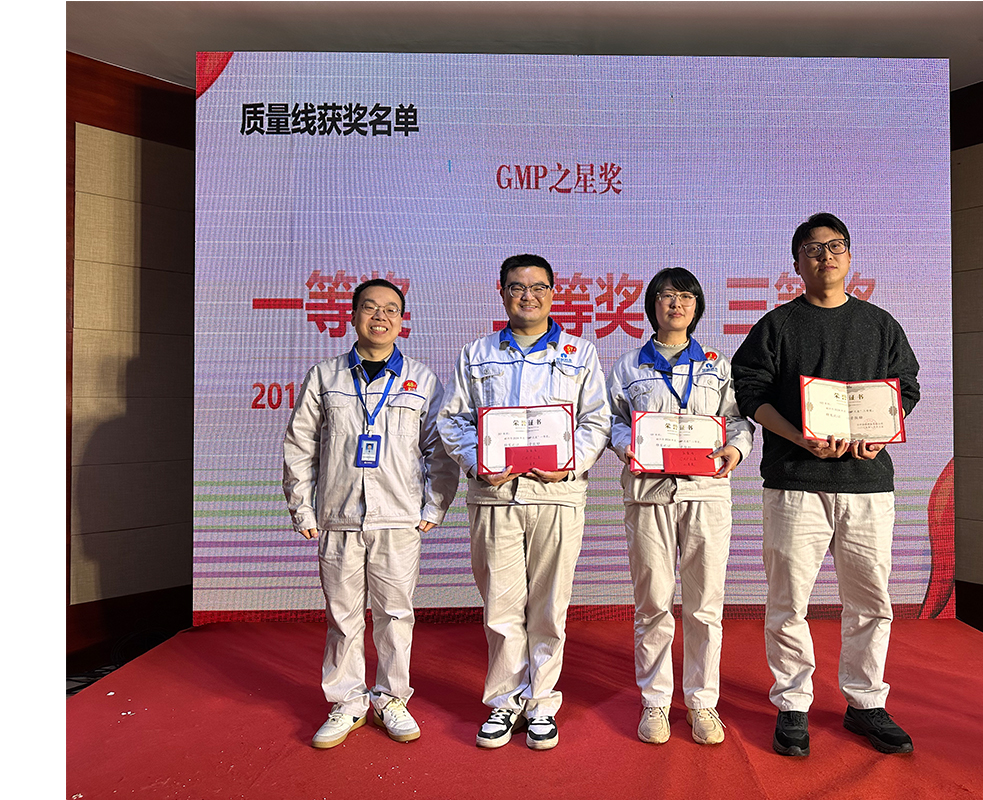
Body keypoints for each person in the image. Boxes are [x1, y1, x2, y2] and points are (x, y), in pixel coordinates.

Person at [731, 213, 920, 757]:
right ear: (797, 263)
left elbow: (905, 389)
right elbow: (750, 394)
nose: (826, 256)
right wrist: (799, 436)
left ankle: (866, 702)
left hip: (867, 484)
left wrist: (878, 436)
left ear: (850, 256)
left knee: (871, 601)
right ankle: (793, 703)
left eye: (836, 246)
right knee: (788, 600)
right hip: (795, 482)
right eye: (813, 249)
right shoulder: (777, 325)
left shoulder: (880, 324)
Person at [436, 254, 612, 751]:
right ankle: (504, 700)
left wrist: (569, 465)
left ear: (554, 293)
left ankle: (541, 703)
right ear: (502, 292)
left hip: (557, 494)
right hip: (495, 495)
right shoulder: (476, 354)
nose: (527, 296)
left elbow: (596, 421)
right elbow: (452, 420)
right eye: (517, 287)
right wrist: (479, 462)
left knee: (550, 606)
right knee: (501, 604)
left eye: (538, 287)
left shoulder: (579, 353)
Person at [283, 278, 459, 749]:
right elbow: (300, 446)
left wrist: (434, 505)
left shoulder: (421, 380)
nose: (380, 317)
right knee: (343, 616)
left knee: (395, 614)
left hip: (398, 518)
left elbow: (440, 449)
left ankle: (391, 699)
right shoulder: (325, 377)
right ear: (353, 315)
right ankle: (347, 702)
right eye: (369, 307)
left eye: (390, 309)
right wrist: (303, 507)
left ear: (402, 321)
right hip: (339, 515)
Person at [607, 268, 753, 746]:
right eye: (668, 296)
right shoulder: (628, 366)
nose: (677, 304)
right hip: (648, 493)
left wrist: (735, 451)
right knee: (653, 602)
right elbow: (611, 421)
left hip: (706, 494)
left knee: (705, 604)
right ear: (652, 304)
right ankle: (654, 700)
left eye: (686, 296)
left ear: (697, 306)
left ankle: (702, 701)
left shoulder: (717, 365)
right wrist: (627, 444)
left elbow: (738, 421)